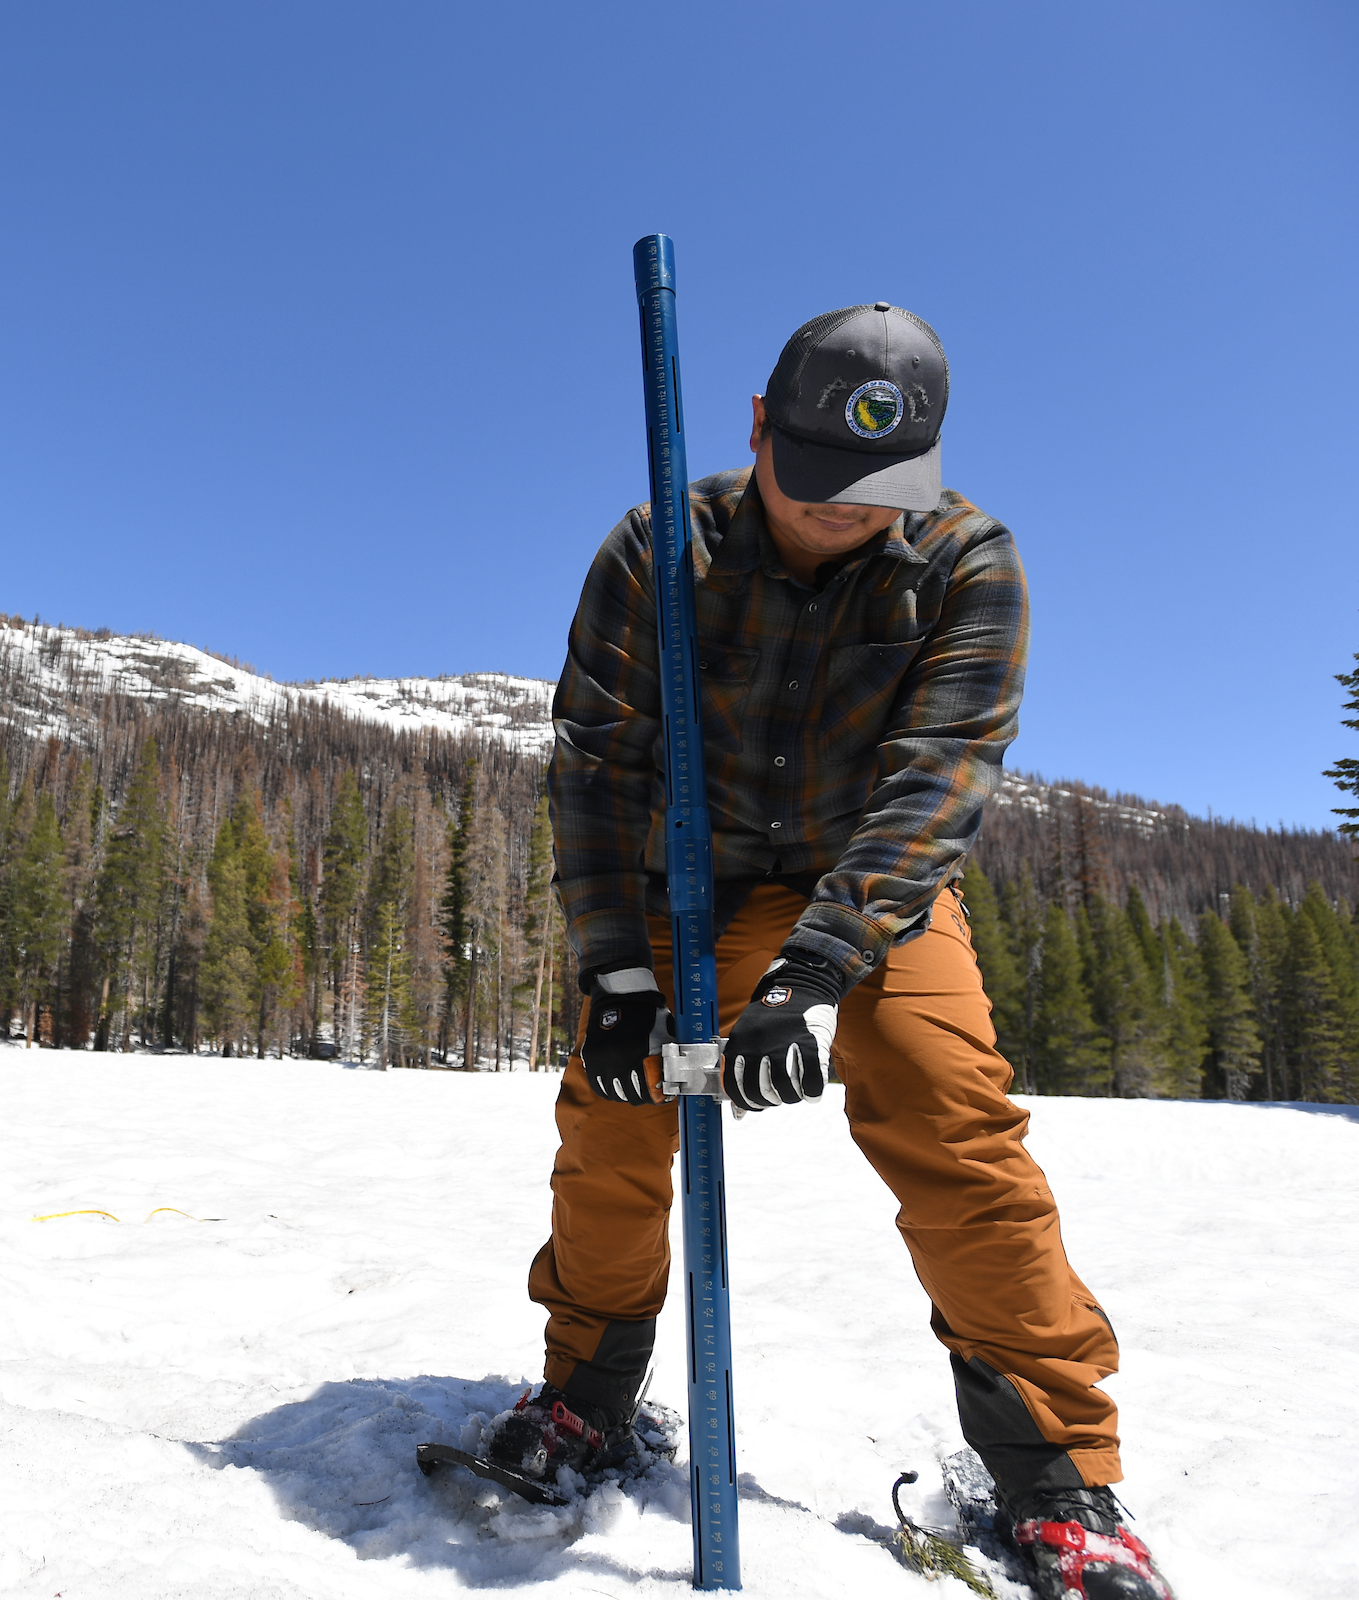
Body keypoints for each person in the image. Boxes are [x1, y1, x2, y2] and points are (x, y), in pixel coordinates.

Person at [514, 306, 1173, 1599]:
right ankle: (589, 1399)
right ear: (760, 429)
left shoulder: (970, 561)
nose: (839, 512)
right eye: (813, 479)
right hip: (677, 887)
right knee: (615, 1110)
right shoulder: (659, 546)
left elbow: (938, 782)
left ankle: (1055, 1477)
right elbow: (595, 769)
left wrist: (811, 975)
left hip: (864, 889)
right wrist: (619, 976)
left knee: (945, 1100)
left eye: (874, 493)